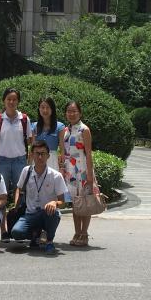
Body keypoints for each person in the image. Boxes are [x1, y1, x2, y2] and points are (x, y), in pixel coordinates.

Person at [11, 141, 68, 254]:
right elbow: (19, 188)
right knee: (16, 233)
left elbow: (63, 202)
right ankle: (36, 234)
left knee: (53, 213)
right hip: (30, 214)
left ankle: (49, 241)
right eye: (37, 153)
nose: (40, 157)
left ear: (48, 156)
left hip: (47, 213)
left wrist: (55, 203)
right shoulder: (26, 171)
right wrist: (16, 205)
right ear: (32, 155)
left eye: (43, 154)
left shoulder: (56, 176)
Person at [0, 86, 32, 240]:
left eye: (14, 99)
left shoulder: (24, 119)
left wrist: (29, 161)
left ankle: (17, 226)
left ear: (18, 101)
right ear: (4, 100)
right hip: (1, 160)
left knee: (20, 195)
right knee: (2, 195)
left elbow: (30, 140)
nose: (11, 102)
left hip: (20, 160)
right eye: (9, 99)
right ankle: (3, 230)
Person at [60, 99, 96, 247]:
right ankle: (77, 232)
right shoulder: (65, 131)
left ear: (80, 113)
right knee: (76, 203)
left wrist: (90, 175)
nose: (71, 114)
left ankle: (84, 233)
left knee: (85, 202)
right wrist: (62, 169)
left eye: (74, 111)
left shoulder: (84, 130)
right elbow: (63, 153)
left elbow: (88, 153)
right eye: (69, 111)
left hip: (83, 171)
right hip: (70, 172)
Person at [33, 97, 65, 171]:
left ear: (52, 109)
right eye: (42, 107)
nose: (45, 110)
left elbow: (62, 148)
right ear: (39, 109)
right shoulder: (34, 126)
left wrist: (62, 166)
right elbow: (32, 147)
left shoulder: (60, 126)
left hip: (52, 159)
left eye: (48, 107)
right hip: (38, 158)